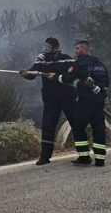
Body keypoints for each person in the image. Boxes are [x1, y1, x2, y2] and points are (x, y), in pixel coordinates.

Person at [19, 37, 76, 166]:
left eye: (49, 47)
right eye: (45, 47)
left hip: (67, 96)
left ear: (56, 48)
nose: (46, 50)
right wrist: (25, 73)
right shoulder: (42, 61)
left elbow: (73, 73)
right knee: (48, 126)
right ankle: (45, 157)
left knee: (75, 122)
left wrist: (57, 76)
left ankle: (82, 152)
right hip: (50, 99)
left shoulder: (66, 58)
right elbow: (32, 73)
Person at [66, 38, 110, 166]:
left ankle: (84, 157)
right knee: (98, 129)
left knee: (78, 127)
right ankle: (100, 159)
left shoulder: (79, 63)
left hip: (85, 102)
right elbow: (107, 83)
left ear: (84, 49)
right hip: (98, 102)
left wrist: (56, 77)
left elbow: (68, 78)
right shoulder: (100, 64)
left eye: (77, 48)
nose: (75, 51)